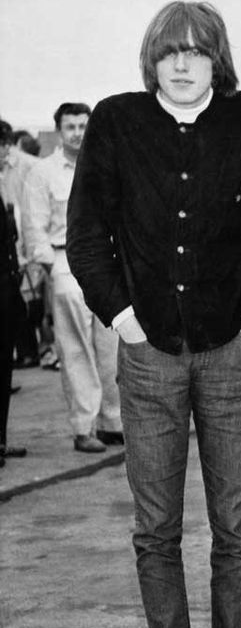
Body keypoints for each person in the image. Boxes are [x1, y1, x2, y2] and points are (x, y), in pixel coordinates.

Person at [66, 1, 241, 628]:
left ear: (216, 59)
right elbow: (86, 235)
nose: (182, 64)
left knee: (236, 529)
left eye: (196, 51)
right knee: (156, 529)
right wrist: (124, 319)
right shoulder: (117, 121)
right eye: (170, 52)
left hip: (231, 355)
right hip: (147, 357)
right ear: (153, 59)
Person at [23, 102, 123, 453]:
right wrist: (51, 266)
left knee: (112, 347)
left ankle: (113, 422)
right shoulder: (43, 172)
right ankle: (84, 427)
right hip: (66, 263)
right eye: (71, 127)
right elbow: (33, 228)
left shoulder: (105, 164)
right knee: (76, 349)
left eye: (83, 125)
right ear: (59, 129)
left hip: (107, 263)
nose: (78, 133)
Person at [0, 118, 29, 466]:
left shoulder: (7, 182)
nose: (7, 152)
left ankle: (1, 441)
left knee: (4, 368)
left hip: (7, 288)